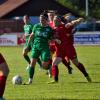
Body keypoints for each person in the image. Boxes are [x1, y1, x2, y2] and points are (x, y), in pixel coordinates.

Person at [49, 15, 92, 83]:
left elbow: (73, 23)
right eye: (54, 19)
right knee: (54, 63)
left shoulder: (65, 26)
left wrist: (79, 20)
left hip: (69, 49)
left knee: (76, 63)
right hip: (60, 50)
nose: (54, 20)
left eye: (56, 19)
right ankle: (55, 80)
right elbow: (51, 38)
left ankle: (86, 75)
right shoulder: (53, 28)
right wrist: (55, 39)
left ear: (60, 20)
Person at [24, 12, 60, 84]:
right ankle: (30, 80)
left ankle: (49, 67)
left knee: (44, 66)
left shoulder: (49, 29)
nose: (40, 20)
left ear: (46, 19)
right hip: (35, 47)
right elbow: (31, 36)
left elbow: (51, 38)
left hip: (44, 48)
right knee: (32, 63)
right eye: (40, 19)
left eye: (42, 19)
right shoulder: (36, 26)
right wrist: (27, 46)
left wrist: (56, 40)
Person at [47, 11, 73, 76]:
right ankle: (51, 71)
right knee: (49, 58)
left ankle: (67, 67)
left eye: (52, 15)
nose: (51, 16)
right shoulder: (48, 24)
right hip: (51, 44)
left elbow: (65, 29)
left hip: (58, 45)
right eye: (49, 15)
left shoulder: (58, 23)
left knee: (59, 58)